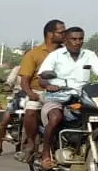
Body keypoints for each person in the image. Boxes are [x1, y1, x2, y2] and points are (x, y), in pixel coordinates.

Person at [36, 27, 98, 170]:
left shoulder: (89, 55)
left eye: (80, 39)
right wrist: (48, 85)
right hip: (57, 96)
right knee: (55, 118)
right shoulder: (55, 56)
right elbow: (41, 78)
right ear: (65, 40)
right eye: (74, 39)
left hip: (82, 97)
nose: (77, 42)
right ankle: (46, 155)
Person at [13, 19, 67, 161]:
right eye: (61, 32)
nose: (64, 35)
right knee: (30, 111)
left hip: (64, 92)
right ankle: (30, 143)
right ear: (50, 34)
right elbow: (25, 80)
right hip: (39, 92)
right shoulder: (33, 54)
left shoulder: (67, 53)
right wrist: (31, 94)